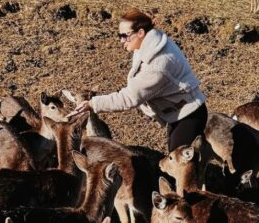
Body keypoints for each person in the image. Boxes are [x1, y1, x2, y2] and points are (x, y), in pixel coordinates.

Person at [67, 8, 207, 152]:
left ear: (140, 33)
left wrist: (92, 104)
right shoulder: (149, 43)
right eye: (118, 35)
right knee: (177, 159)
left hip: (188, 115)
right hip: (177, 111)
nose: (121, 41)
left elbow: (130, 98)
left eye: (124, 36)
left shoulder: (158, 65)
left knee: (179, 167)